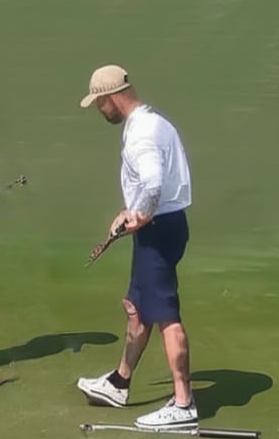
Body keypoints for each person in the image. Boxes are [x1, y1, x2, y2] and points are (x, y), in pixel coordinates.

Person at [76, 65, 197, 430]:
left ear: (111, 98)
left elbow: (154, 181)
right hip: (162, 226)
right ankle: (119, 382)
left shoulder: (141, 133)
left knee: (166, 317)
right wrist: (131, 211)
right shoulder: (152, 121)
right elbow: (150, 185)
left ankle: (183, 404)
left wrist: (140, 214)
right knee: (139, 310)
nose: (100, 111)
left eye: (99, 103)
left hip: (159, 229)